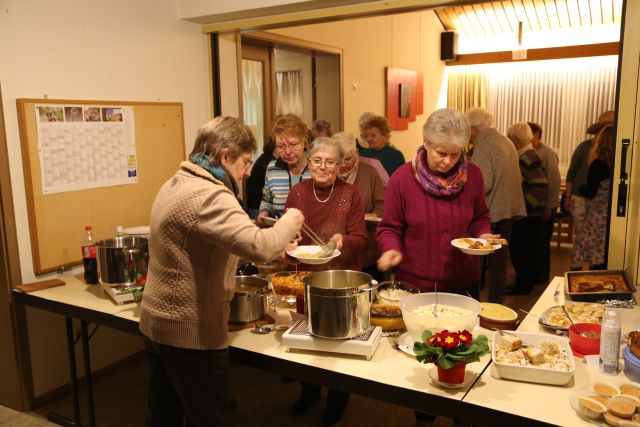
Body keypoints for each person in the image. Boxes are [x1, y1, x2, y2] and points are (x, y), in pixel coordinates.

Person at [139, 116, 304, 427]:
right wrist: (289, 221)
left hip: (156, 322)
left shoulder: (176, 182)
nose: (248, 171)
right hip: (190, 332)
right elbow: (260, 245)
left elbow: (204, 247)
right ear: (225, 156)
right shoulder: (211, 194)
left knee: (164, 415)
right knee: (209, 417)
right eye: (244, 161)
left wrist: (270, 246)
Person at [284, 137, 366, 425]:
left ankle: (337, 397)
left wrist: (343, 240)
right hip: (306, 274)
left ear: (340, 165)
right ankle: (309, 391)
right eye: (317, 160)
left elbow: (360, 237)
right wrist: (289, 240)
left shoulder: (350, 194)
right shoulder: (297, 193)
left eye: (330, 161)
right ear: (308, 162)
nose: (322, 166)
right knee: (307, 337)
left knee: (338, 339)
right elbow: (287, 232)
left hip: (339, 276)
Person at [377, 108, 495, 296]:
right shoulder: (402, 179)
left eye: (455, 154)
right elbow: (389, 227)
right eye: (441, 153)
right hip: (415, 285)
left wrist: (483, 235)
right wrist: (391, 248)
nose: (448, 161)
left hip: (464, 282)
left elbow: (480, 217)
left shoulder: (474, 175)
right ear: (426, 143)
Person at [467, 108, 526, 303]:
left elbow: (482, 184)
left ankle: (475, 303)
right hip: (508, 209)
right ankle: (496, 303)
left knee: (476, 260)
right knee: (500, 262)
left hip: (490, 213)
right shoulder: (506, 141)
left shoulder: (484, 147)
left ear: (474, 129)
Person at [564, 110, 614, 268]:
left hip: (598, 201)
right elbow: (572, 172)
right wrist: (568, 196)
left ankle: (592, 267)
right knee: (582, 235)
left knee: (595, 237)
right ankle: (578, 268)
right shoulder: (585, 147)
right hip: (580, 197)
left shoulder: (613, 153)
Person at [334, 131, 385, 281]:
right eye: (339, 160)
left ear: (356, 152)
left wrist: (374, 215)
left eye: (348, 159)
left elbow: (381, 203)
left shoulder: (370, 172)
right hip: (336, 249)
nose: (343, 164)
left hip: (366, 250)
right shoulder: (328, 174)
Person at [506, 122, 548, 296]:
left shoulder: (527, 156)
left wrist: (524, 207)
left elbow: (540, 186)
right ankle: (522, 283)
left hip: (528, 215)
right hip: (527, 214)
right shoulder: (526, 154)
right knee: (522, 250)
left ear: (515, 139)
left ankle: (523, 286)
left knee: (522, 251)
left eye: (509, 138)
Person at [257, 114, 312, 225]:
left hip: (311, 232)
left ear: (304, 141)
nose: (287, 152)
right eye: (281, 146)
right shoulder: (272, 168)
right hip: (281, 233)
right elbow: (267, 200)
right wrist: (264, 212)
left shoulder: (315, 168)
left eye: (293, 144)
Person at [528, 122, 561, 284]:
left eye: (529, 133)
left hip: (546, 206)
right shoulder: (528, 152)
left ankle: (542, 275)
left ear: (536, 135)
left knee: (542, 242)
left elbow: (554, 182)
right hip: (534, 207)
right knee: (533, 242)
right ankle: (533, 273)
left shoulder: (547, 153)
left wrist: (549, 206)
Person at [245, 139, 275, 219]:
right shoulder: (268, 161)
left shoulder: (264, 157)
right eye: (281, 146)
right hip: (256, 203)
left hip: (254, 200)